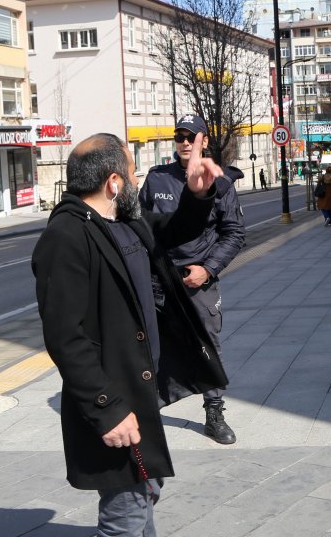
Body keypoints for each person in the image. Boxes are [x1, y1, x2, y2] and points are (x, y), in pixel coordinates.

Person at [32, 133, 228, 537]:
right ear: (113, 182)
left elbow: (174, 230)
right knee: (125, 514)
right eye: (132, 172)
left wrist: (197, 194)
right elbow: (65, 337)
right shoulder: (67, 236)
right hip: (114, 399)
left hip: (140, 392)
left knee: (143, 496)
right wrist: (106, 409)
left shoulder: (125, 222)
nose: (137, 181)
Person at [139, 114, 245, 445]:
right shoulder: (156, 179)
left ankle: (214, 413)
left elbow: (234, 233)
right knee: (150, 345)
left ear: (204, 141)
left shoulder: (219, 181)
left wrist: (208, 269)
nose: (185, 142)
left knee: (207, 346)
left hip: (198, 280)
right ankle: (146, 408)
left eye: (192, 136)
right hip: (159, 279)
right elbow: (140, 228)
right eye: (180, 137)